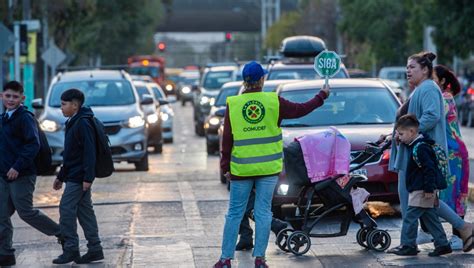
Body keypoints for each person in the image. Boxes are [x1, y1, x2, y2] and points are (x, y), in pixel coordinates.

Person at [214, 61, 330, 268]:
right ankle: (260, 259)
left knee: (234, 213)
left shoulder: (233, 104)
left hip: (241, 169)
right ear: (261, 80)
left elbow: (227, 140)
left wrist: (225, 168)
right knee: (264, 212)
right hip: (268, 168)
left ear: (244, 81)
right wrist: (321, 96)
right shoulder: (273, 102)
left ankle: (225, 260)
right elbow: (301, 109)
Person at [385, 51, 474, 254]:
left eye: (412, 67)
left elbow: (432, 116)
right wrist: (395, 134)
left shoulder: (428, 89)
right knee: (424, 200)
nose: (408, 71)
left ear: (425, 70)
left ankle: (409, 243)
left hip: (420, 154)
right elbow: (410, 120)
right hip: (413, 153)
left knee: (414, 197)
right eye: (407, 67)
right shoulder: (421, 89)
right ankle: (446, 239)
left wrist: (409, 134)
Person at [0, 81, 64, 267]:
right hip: (3, 175)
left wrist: (17, 167)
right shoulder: (4, 118)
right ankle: (5, 254)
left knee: (26, 212)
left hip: (22, 174)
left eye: (15, 96)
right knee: (1, 215)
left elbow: (32, 145)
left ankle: (62, 233)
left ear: (22, 98)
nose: (11, 99)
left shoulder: (25, 118)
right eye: (8, 96)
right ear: (2, 96)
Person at [52, 89, 104, 264]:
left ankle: (71, 249)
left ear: (75, 106)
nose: (61, 108)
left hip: (79, 177)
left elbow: (89, 152)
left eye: (64, 104)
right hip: (74, 175)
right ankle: (95, 249)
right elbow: (70, 155)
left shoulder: (82, 123)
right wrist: (61, 176)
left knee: (66, 210)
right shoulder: (73, 121)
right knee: (85, 212)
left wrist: (88, 178)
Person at [388, 114, 452, 256]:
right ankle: (443, 244)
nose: (399, 137)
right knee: (430, 217)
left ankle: (408, 245)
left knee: (410, 217)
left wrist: (429, 189)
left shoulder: (421, 148)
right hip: (422, 188)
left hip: (422, 189)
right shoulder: (416, 144)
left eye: (401, 134)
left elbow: (430, 169)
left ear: (412, 132)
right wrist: (398, 140)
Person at [433, 65, 470, 250]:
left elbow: (433, 117)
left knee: (455, 194)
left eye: (432, 78)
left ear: (442, 82)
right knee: (440, 194)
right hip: (445, 153)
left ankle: (459, 236)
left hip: (454, 154)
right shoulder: (439, 96)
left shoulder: (445, 98)